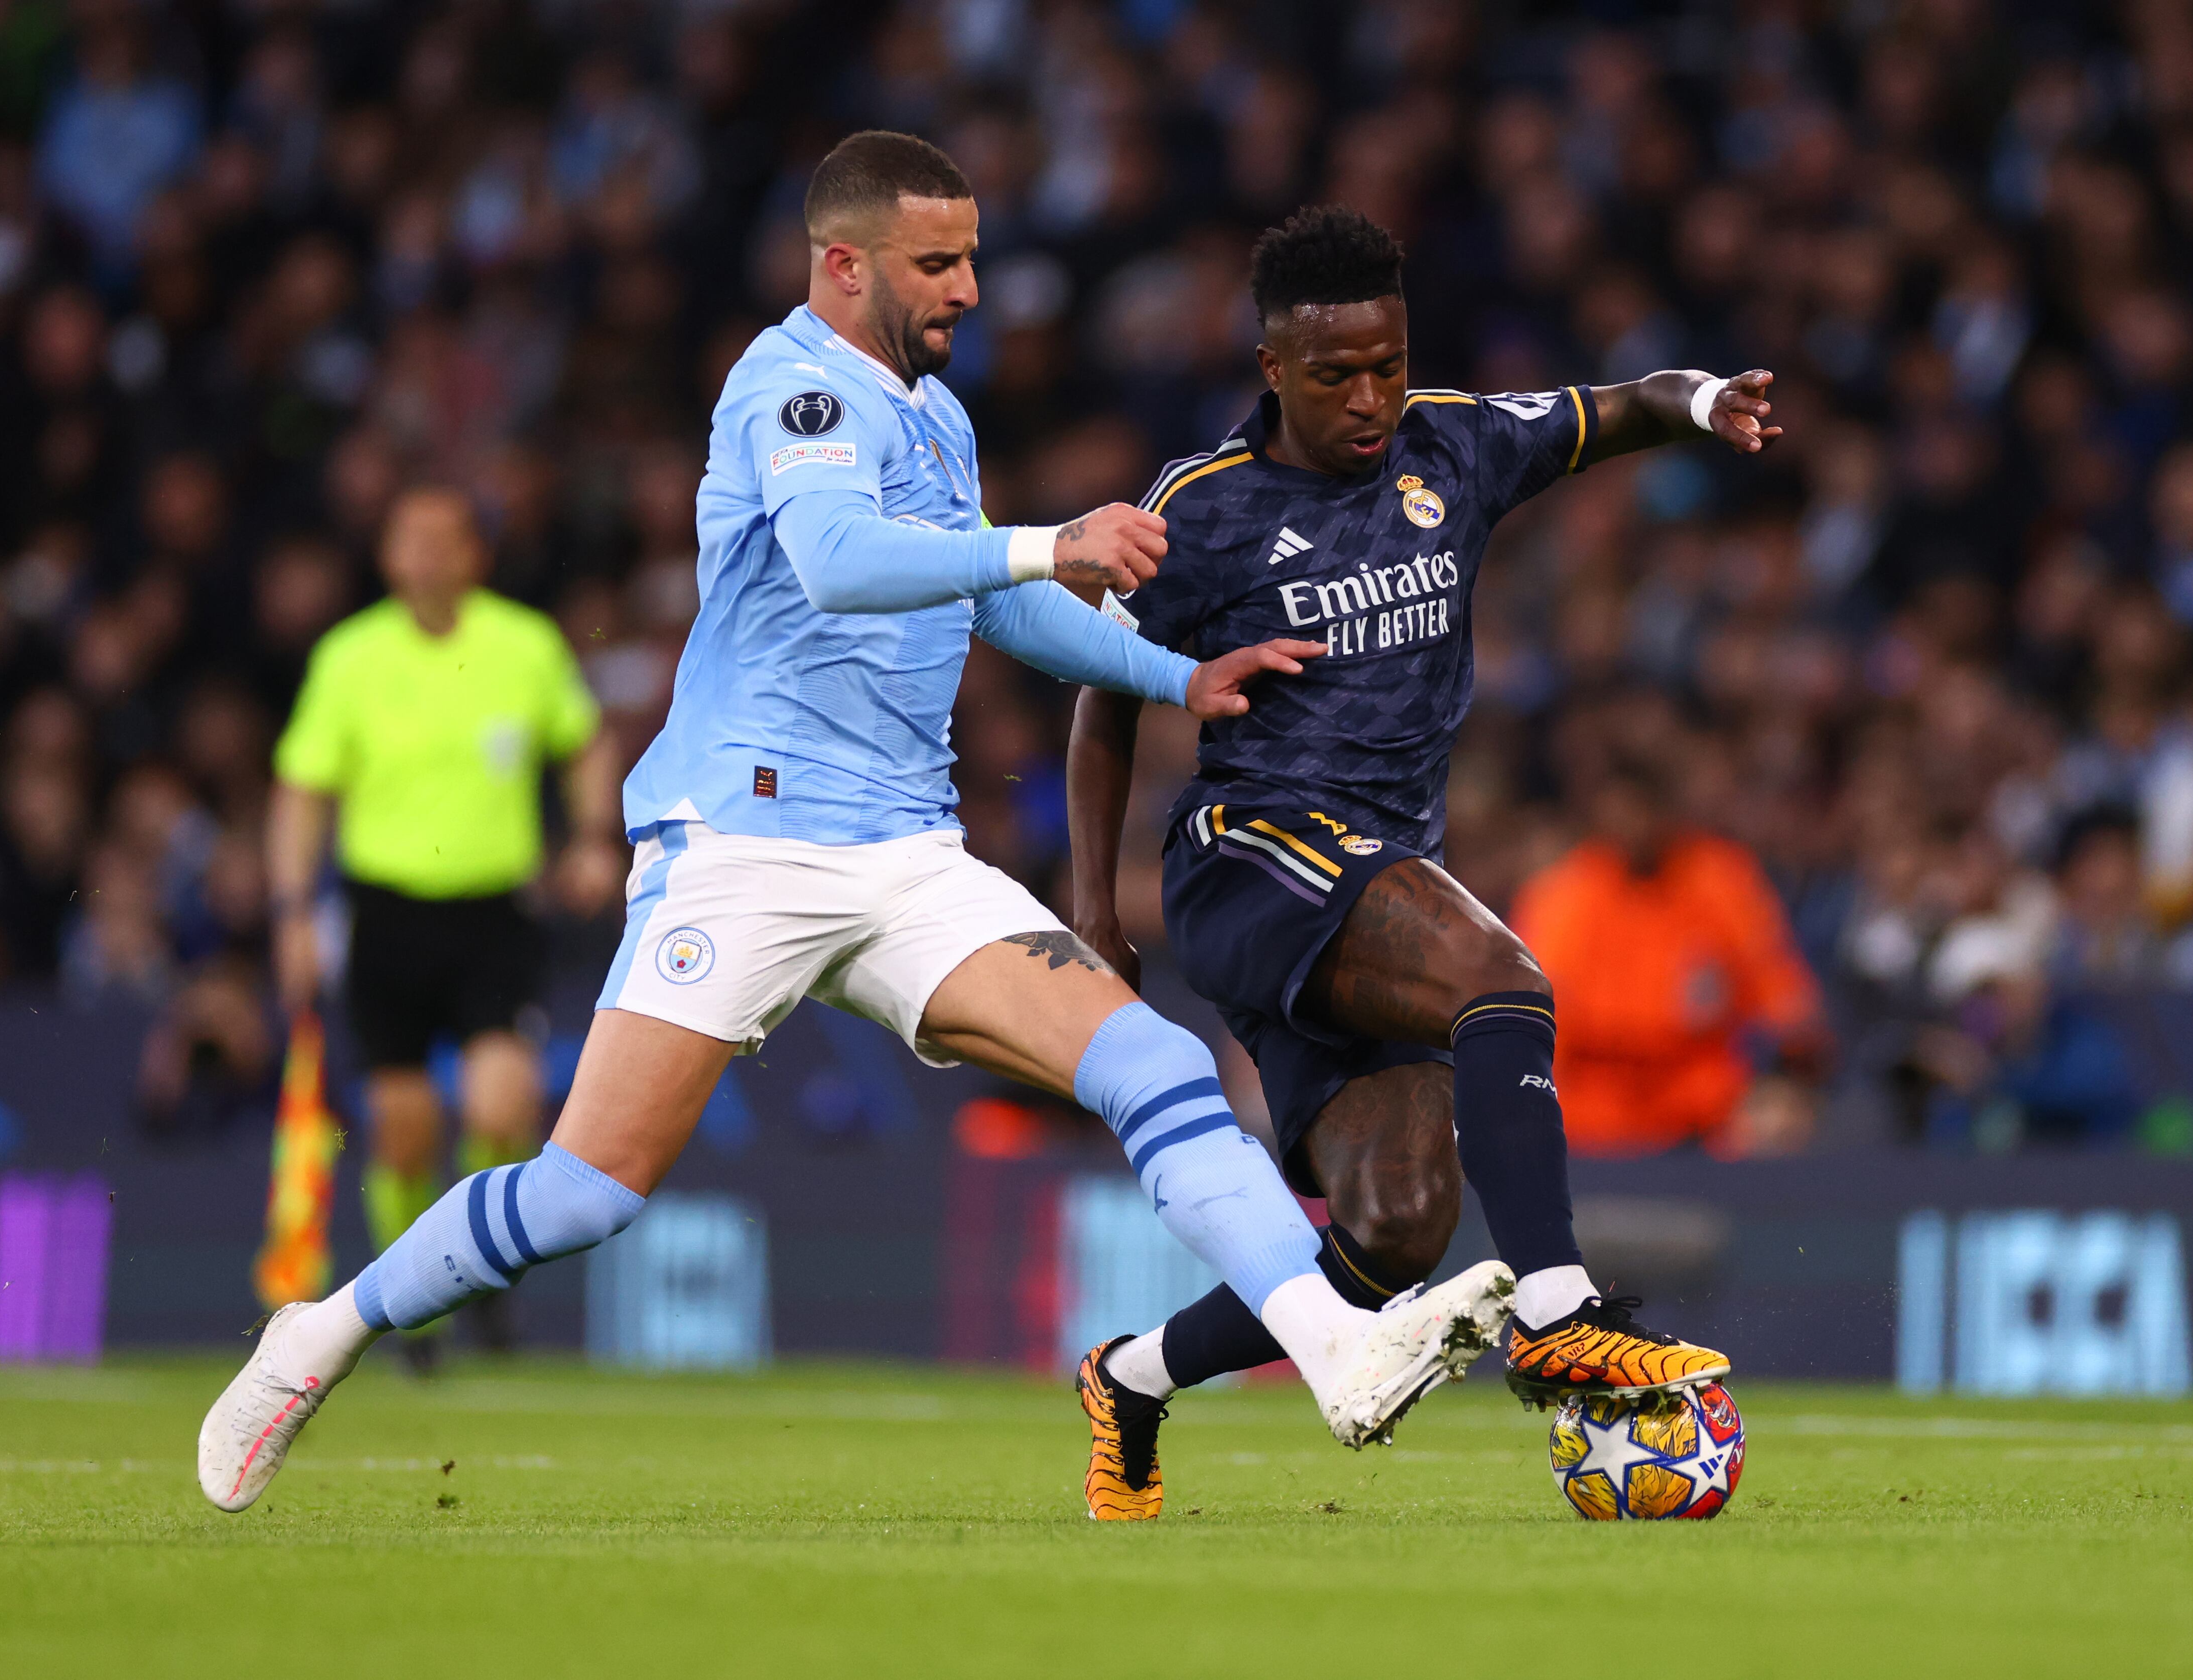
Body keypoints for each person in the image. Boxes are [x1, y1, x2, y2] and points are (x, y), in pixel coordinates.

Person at [200, 132, 1515, 1513]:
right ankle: (323, 1330)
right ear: (844, 266)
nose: (968, 289)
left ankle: (1336, 1350)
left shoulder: (934, 415)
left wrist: (1174, 675)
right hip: (745, 849)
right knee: (588, 1190)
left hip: (906, 857)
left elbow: (992, 603)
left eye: (971, 258)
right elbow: (837, 561)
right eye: (936, 263)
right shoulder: (795, 388)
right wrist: (1050, 540)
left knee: (1155, 1062)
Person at [1068, 206, 1774, 1520]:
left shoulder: (1453, 441)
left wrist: (1701, 400)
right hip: (1250, 853)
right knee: (1501, 976)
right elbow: (1100, 689)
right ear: (1272, 367)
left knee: (1395, 1228)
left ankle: (1130, 1375)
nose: (1370, 397)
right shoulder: (1200, 508)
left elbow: (1619, 406)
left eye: (1388, 364)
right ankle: (1560, 1311)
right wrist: (1094, 907)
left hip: (1373, 878)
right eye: (1336, 373)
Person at [267, 483, 625, 1367]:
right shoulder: (351, 656)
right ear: (387, 554)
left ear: (476, 555)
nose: (426, 554)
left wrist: (591, 837)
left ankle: (480, 1274)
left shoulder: (525, 645)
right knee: (403, 1126)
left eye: (444, 538)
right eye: (409, 538)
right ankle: (412, 1306)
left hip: (494, 914)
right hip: (386, 914)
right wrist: (292, 910)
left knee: (502, 1103)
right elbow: (303, 789)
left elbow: (585, 741)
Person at [1511, 755, 1828, 1160]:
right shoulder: (1565, 893)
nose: (1632, 824)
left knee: (1775, 1123)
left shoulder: (1721, 878)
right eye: (1619, 811)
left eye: (1642, 808)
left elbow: (1783, 995)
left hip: (1705, 1117)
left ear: (1667, 809)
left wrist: (1787, 1081)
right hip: (1590, 1123)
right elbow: (1531, 1017)